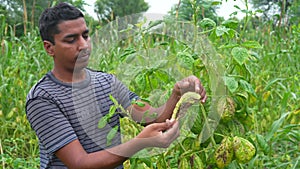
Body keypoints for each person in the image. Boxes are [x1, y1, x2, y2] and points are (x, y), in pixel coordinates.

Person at [25, 2, 207, 169]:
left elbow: (152, 118)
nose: (83, 45)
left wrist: (178, 95)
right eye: (71, 39)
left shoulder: (107, 82)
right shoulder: (42, 98)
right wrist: (141, 142)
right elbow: (79, 163)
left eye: (85, 36)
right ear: (49, 48)